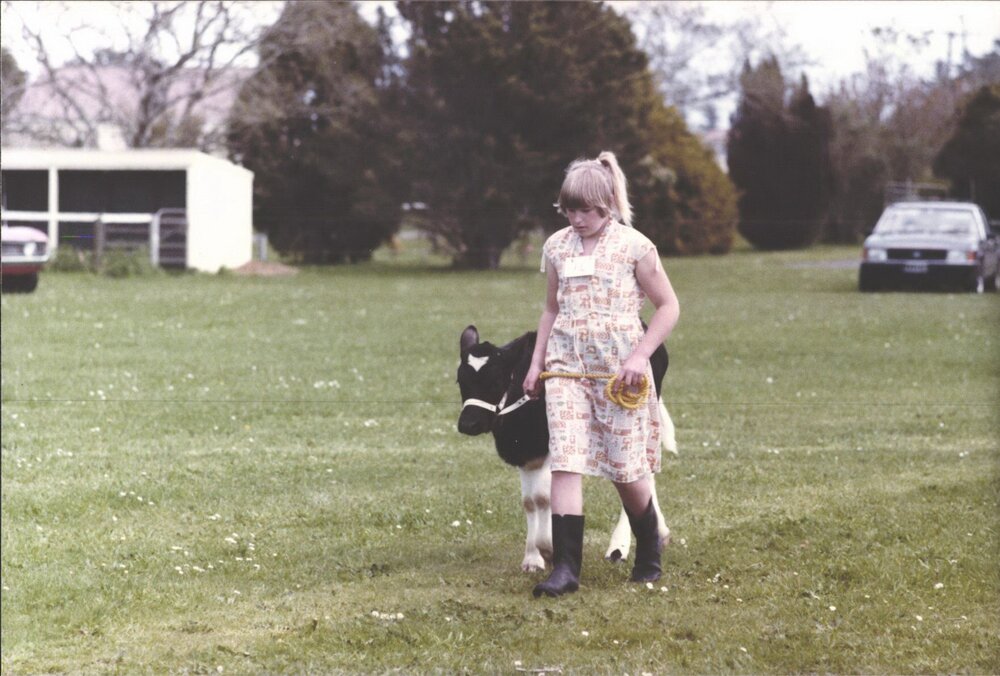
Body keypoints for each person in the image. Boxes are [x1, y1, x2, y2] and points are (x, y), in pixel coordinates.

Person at [522, 151, 680, 598]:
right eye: (568, 210)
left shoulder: (635, 247)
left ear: (606, 206)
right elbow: (551, 308)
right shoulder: (556, 246)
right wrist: (537, 364)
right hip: (567, 370)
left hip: (619, 376)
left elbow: (669, 307)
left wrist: (639, 356)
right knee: (566, 463)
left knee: (625, 469)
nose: (575, 219)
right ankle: (567, 569)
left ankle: (649, 548)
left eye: (584, 211)